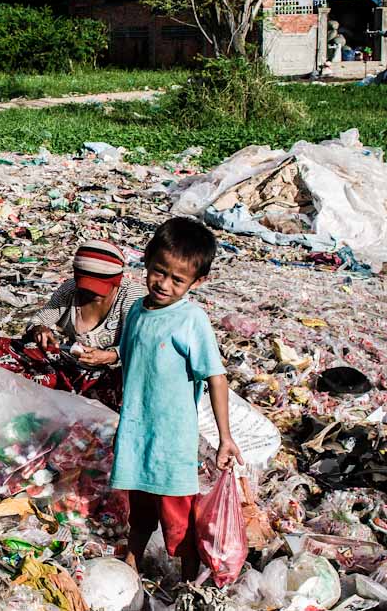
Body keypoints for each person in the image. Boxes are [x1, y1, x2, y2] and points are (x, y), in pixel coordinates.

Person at [110, 217, 243, 582]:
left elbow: (215, 377)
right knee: (138, 514)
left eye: (177, 279)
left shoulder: (191, 319)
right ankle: (129, 572)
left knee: (178, 522)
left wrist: (225, 437)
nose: (163, 284)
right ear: (147, 261)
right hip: (137, 433)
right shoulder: (137, 310)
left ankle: (189, 585)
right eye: (158, 272)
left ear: (197, 282)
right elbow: (129, 352)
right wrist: (101, 357)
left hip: (171, 440)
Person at [0, 240, 144, 410]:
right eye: (87, 286)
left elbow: (141, 345)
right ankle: (55, 396)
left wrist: (111, 356)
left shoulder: (131, 296)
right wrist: (40, 330)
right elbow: (39, 321)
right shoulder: (71, 289)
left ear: (116, 281)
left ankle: (63, 398)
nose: (91, 292)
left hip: (104, 377)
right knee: (0, 347)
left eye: (99, 288)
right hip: (69, 367)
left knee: (131, 384)